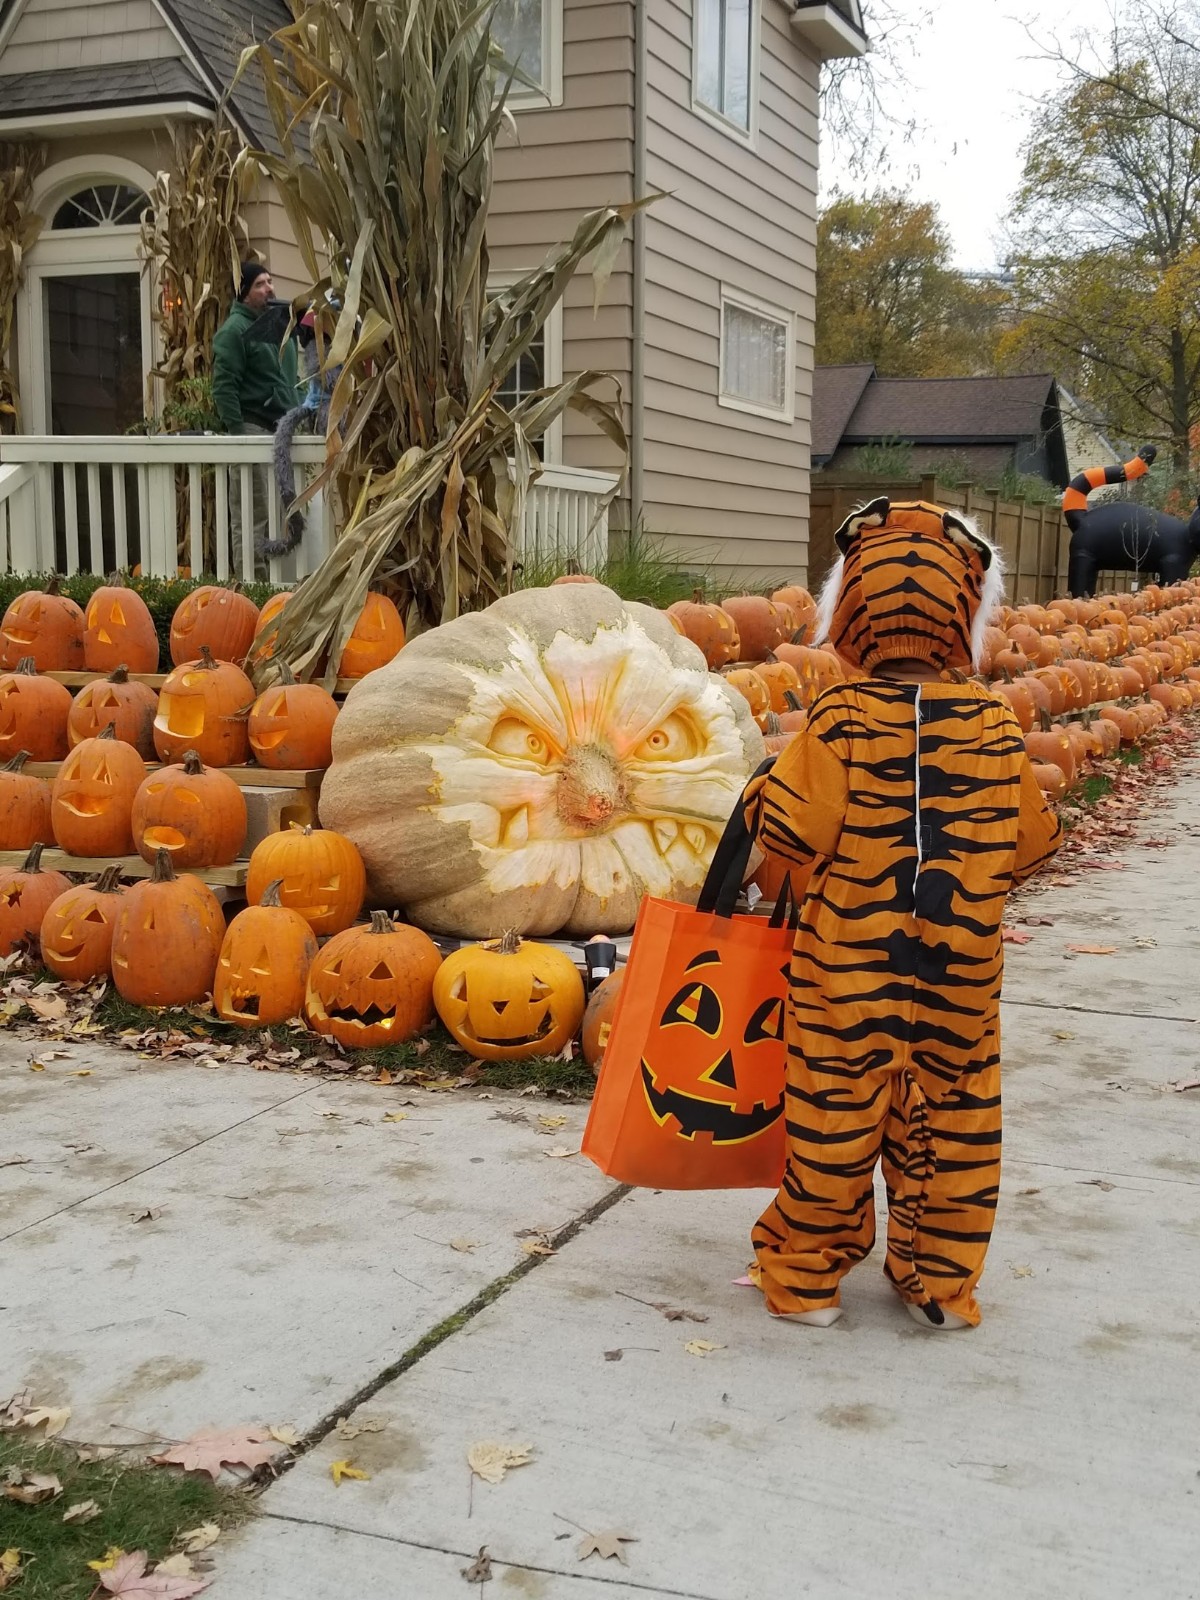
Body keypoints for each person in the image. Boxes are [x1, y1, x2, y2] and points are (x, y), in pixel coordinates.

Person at [742, 497, 1061, 1332]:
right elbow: (1033, 841)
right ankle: (940, 1284)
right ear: (966, 620)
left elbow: (792, 827)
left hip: (847, 976)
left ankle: (807, 1280)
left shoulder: (840, 720)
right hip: (958, 979)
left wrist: (758, 794)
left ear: (848, 612)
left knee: (833, 1123)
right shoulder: (996, 724)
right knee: (951, 1128)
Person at [211, 261, 299, 577]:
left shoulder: (276, 325)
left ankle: (279, 581)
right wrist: (239, 435)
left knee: (280, 512)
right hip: (252, 428)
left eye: (270, 281)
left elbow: (287, 379)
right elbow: (224, 387)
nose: (269, 288)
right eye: (260, 284)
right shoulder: (235, 331)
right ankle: (253, 583)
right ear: (244, 292)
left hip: (280, 431)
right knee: (252, 511)